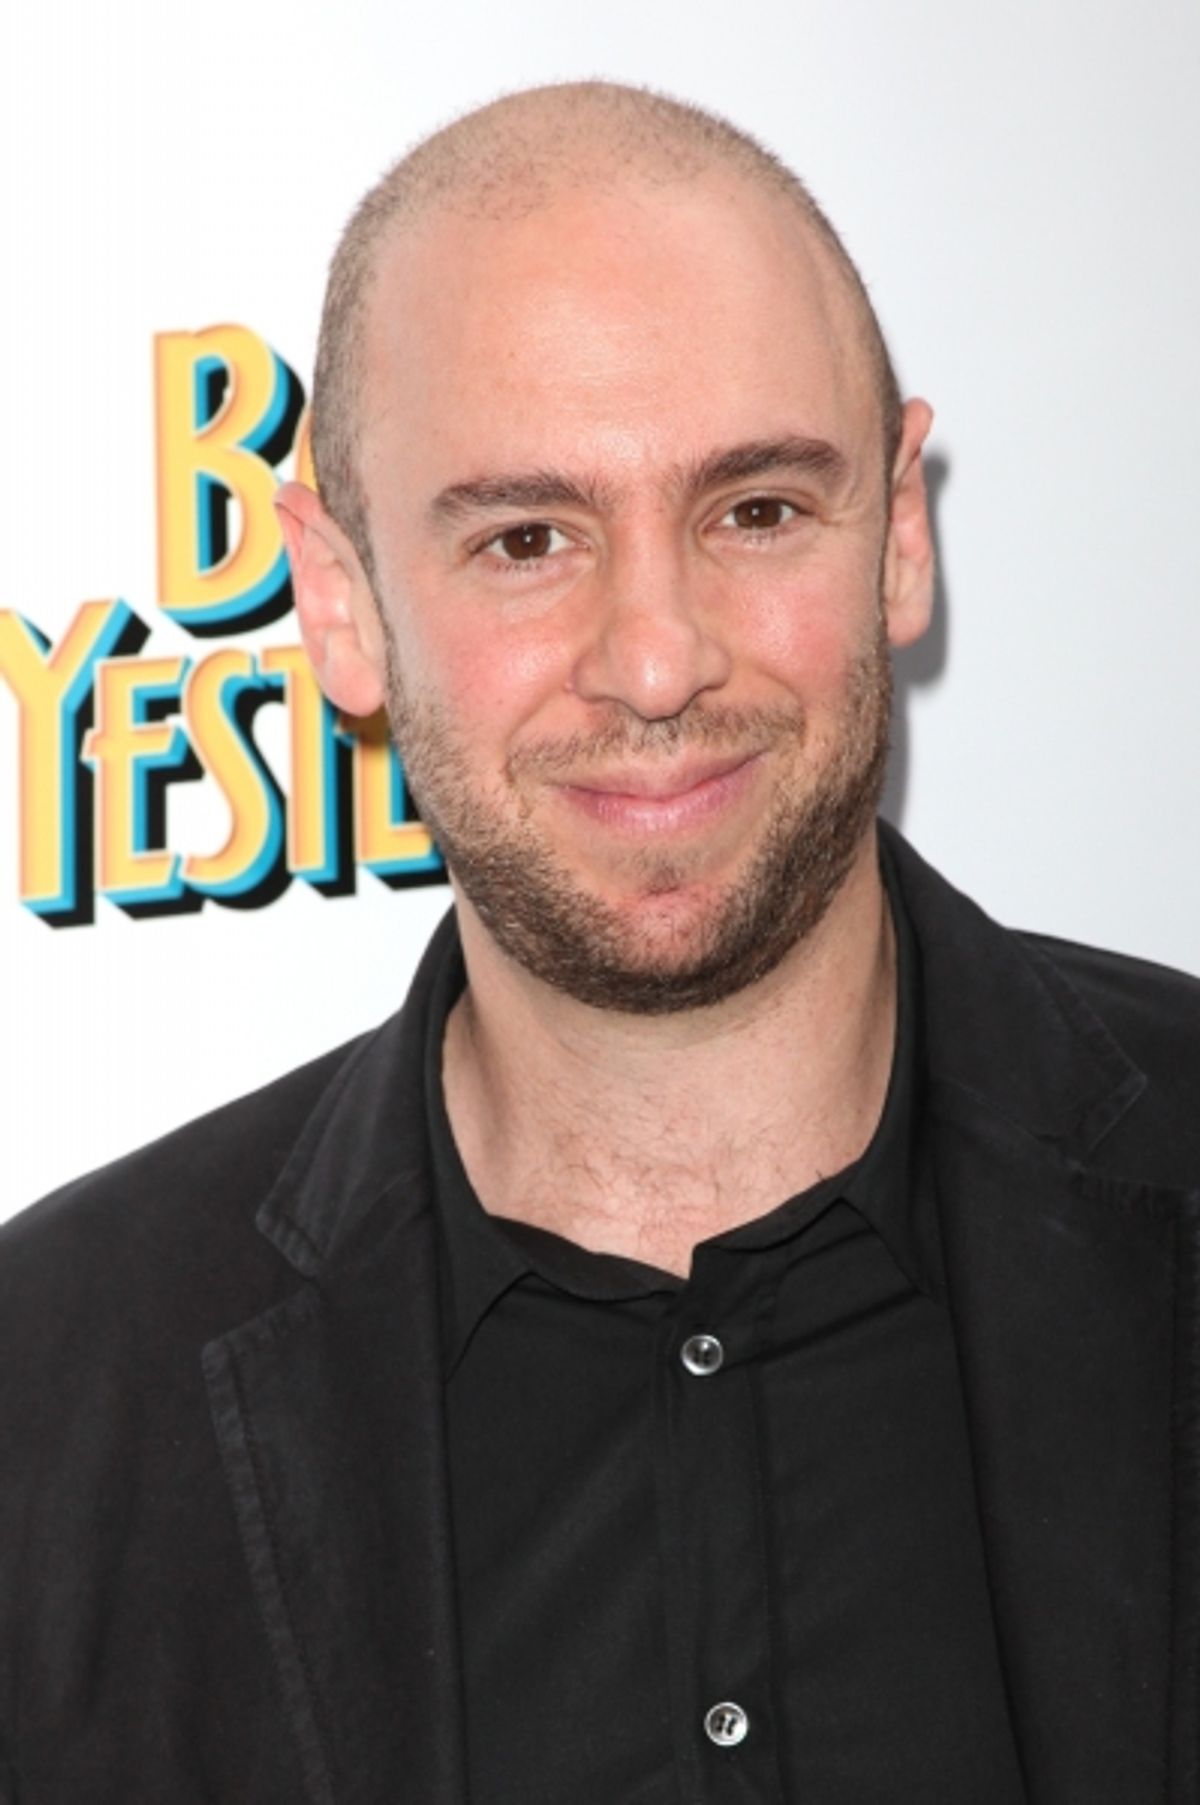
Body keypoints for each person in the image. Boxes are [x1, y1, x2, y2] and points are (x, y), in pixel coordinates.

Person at [2, 80, 1198, 1805]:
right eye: (528, 539)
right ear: (338, 602)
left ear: (903, 535)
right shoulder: (53, 1406)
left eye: (758, 511)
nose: (656, 658)